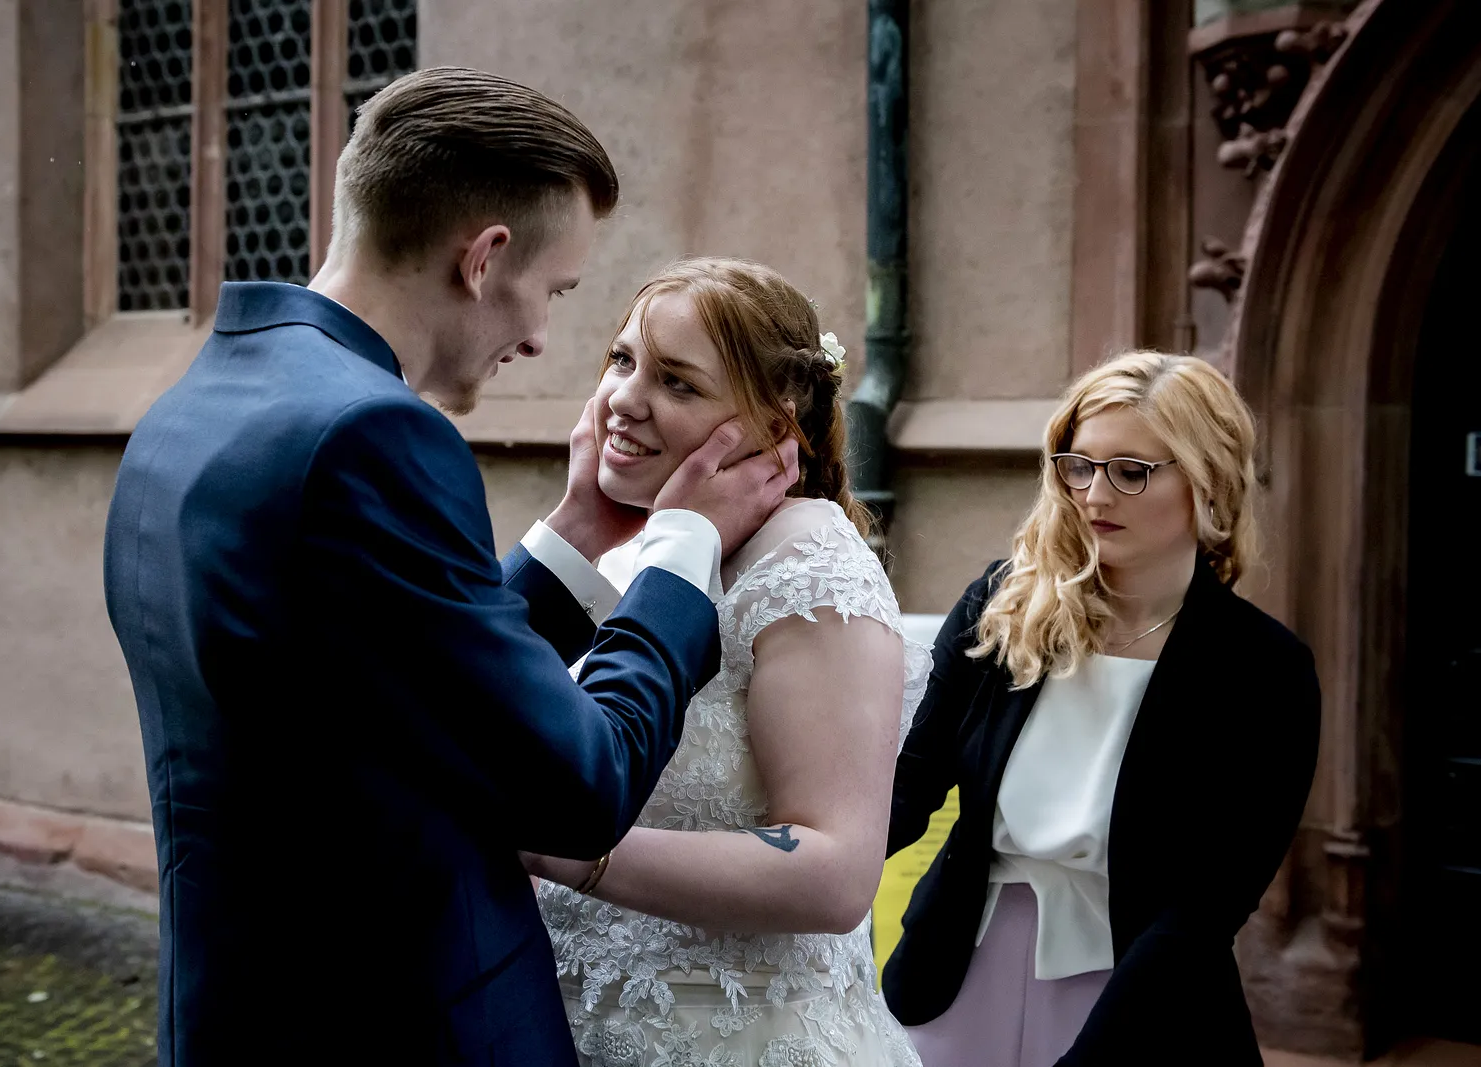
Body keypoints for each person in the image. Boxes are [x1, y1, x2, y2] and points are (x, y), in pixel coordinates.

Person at [102, 69, 800, 1067]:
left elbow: (370, 678)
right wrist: (679, 546)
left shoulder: (196, 404)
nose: (539, 337)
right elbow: (575, 787)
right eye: (553, 292)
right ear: (484, 257)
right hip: (391, 1018)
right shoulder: (376, 432)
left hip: (238, 1009)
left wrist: (570, 537)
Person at [525, 257, 931, 1067]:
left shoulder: (809, 565)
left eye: (678, 383)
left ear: (773, 427)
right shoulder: (653, 545)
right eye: (622, 360)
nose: (624, 400)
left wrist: (572, 849)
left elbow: (836, 871)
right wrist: (578, 525)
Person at [883, 351, 1321, 1066]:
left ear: (1207, 481)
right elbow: (911, 785)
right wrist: (787, 873)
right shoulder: (1002, 607)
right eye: (1078, 465)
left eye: (1130, 470)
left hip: (1144, 992)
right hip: (957, 969)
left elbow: (1207, 905)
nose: (1093, 494)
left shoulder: (1263, 668)